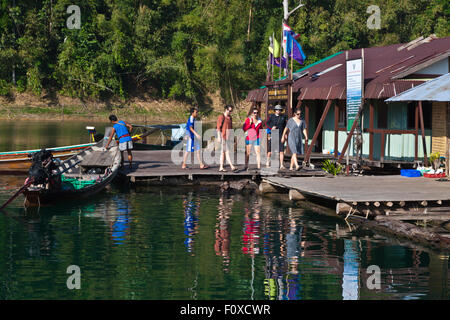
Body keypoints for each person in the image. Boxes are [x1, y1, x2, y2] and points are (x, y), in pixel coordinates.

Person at [265, 104, 287, 169]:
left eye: (280, 110)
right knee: (270, 151)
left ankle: (281, 165)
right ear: (275, 110)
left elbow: (285, 126)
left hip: (280, 135)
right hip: (273, 134)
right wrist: (271, 127)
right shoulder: (271, 116)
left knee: (281, 151)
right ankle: (267, 162)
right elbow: (266, 123)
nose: (278, 111)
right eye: (277, 110)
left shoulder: (283, 117)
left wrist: (285, 134)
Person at [217, 104, 238, 172]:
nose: (230, 112)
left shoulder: (230, 118)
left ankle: (221, 167)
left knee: (223, 153)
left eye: (231, 111)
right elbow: (218, 128)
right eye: (229, 110)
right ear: (226, 109)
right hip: (223, 136)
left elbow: (231, 128)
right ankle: (232, 166)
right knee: (227, 152)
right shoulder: (221, 117)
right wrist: (218, 137)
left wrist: (233, 137)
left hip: (228, 137)